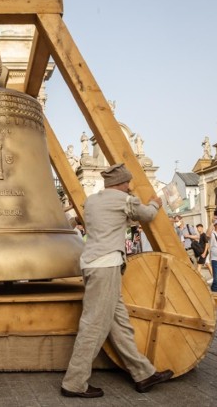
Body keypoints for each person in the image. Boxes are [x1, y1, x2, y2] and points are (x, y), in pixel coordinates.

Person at [61, 163, 173, 398]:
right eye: (128, 183)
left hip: (91, 264)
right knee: (93, 325)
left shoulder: (91, 201)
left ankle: (143, 373)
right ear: (123, 183)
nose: (129, 186)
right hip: (106, 265)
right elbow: (148, 215)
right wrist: (155, 202)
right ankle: (74, 382)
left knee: (119, 323)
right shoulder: (123, 199)